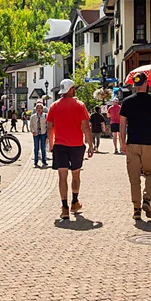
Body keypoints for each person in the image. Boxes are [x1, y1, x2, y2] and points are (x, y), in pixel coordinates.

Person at [46, 79, 93, 220]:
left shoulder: (54, 106)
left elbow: (50, 127)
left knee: (62, 176)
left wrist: (51, 144)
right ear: (71, 89)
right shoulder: (80, 105)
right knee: (76, 175)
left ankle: (64, 206)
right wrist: (90, 144)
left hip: (60, 145)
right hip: (76, 145)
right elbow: (85, 127)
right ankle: (75, 201)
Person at [120, 72, 151, 221]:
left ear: (134, 85)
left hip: (132, 143)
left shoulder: (126, 102)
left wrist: (122, 142)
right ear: (146, 83)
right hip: (149, 143)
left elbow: (122, 124)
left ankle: (136, 209)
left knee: (134, 178)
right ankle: (147, 200)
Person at [29, 102, 48, 167]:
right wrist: (33, 131)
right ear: (36, 109)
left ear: (42, 109)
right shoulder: (33, 116)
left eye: (40, 108)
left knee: (43, 148)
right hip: (36, 134)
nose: (39, 110)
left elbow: (47, 126)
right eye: (38, 108)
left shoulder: (45, 116)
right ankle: (36, 161)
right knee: (36, 148)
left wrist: (47, 135)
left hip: (43, 133)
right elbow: (31, 125)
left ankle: (44, 161)